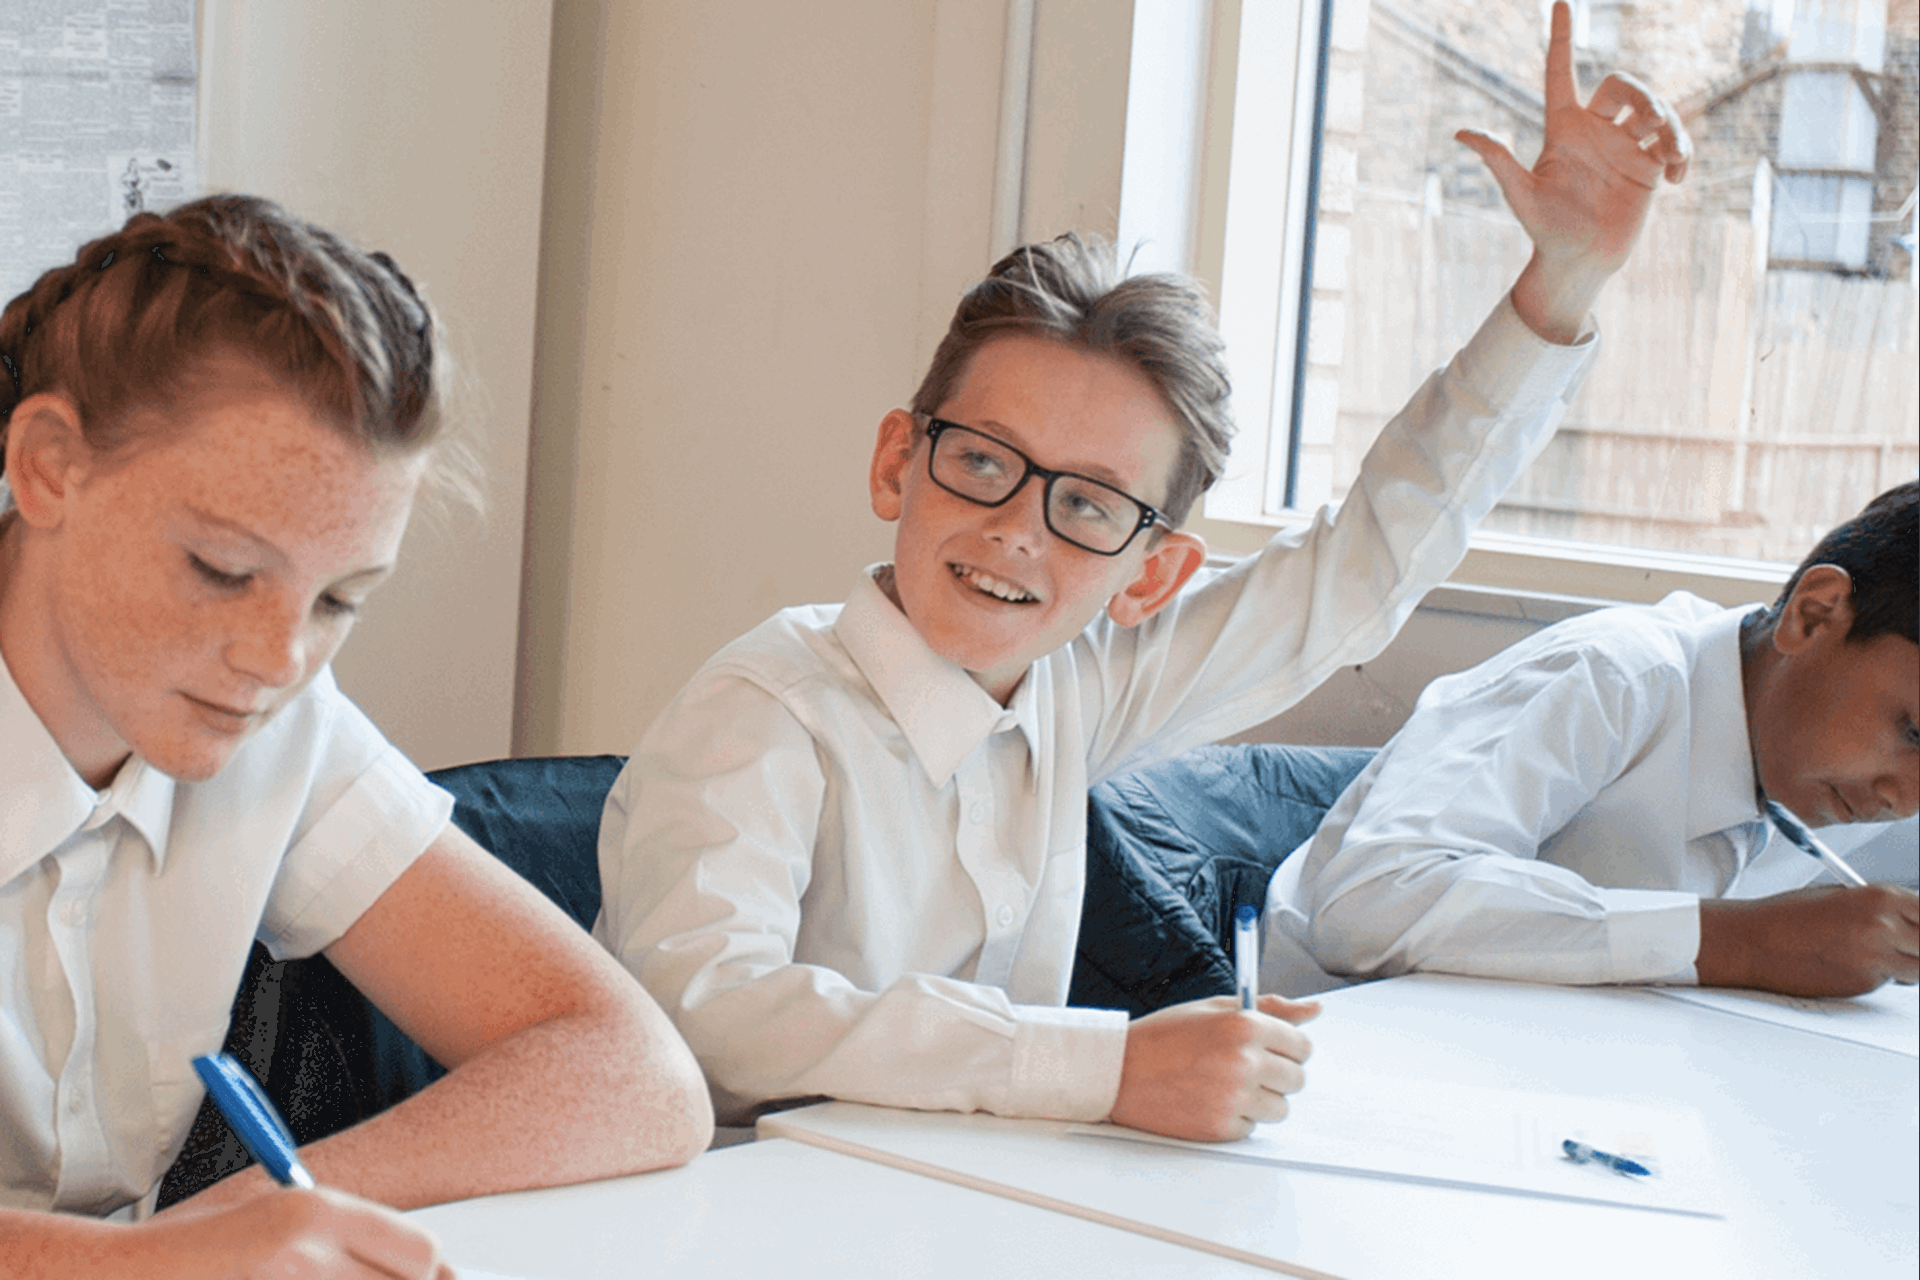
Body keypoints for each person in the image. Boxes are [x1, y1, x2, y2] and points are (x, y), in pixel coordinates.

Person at [595, 2, 1690, 1144]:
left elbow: (1350, 578)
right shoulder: (762, 717)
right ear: (894, 463)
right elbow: (707, 1015)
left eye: (1087, 504)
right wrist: (1103, 1065)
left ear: (1151, 570)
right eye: (980, 461)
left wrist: (1555, 288)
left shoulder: (1070, 686)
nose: (1018, 529)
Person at [0, 195, 713, 1279]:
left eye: (339, 599)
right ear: (50, 463)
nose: (279, 659)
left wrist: (264, 1217)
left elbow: (633, 1069)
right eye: (222, 570)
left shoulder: (270, 723)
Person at [1263, 482, 1918, 998]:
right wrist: (1748, 944)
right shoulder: (1616, 674)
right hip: (1339, 1066)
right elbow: (1367, 907)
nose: (1905, 799)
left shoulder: (1844, 782)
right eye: (1912, 731)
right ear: (1814, 615)